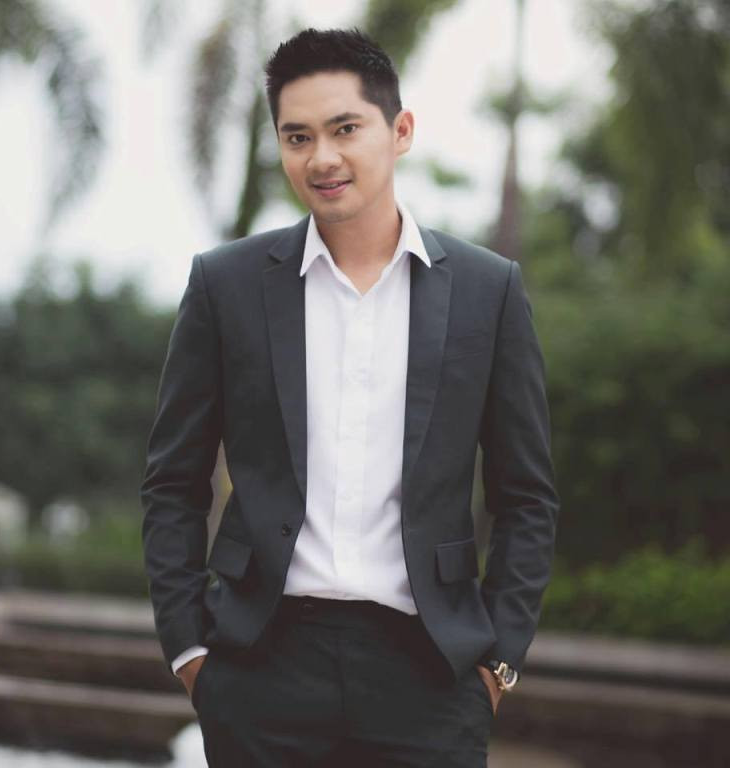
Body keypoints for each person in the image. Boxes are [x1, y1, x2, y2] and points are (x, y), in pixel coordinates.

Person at [140, 26, 560, 768]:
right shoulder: (225, 285)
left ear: (399, 131)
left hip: (430, 674)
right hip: (259, 668)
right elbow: (173, 480)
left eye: (345, 129)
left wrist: (497, 668)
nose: (322, 158)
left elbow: (526, 496)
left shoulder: (487, 291)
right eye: (297, 136)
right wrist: (190, 652)